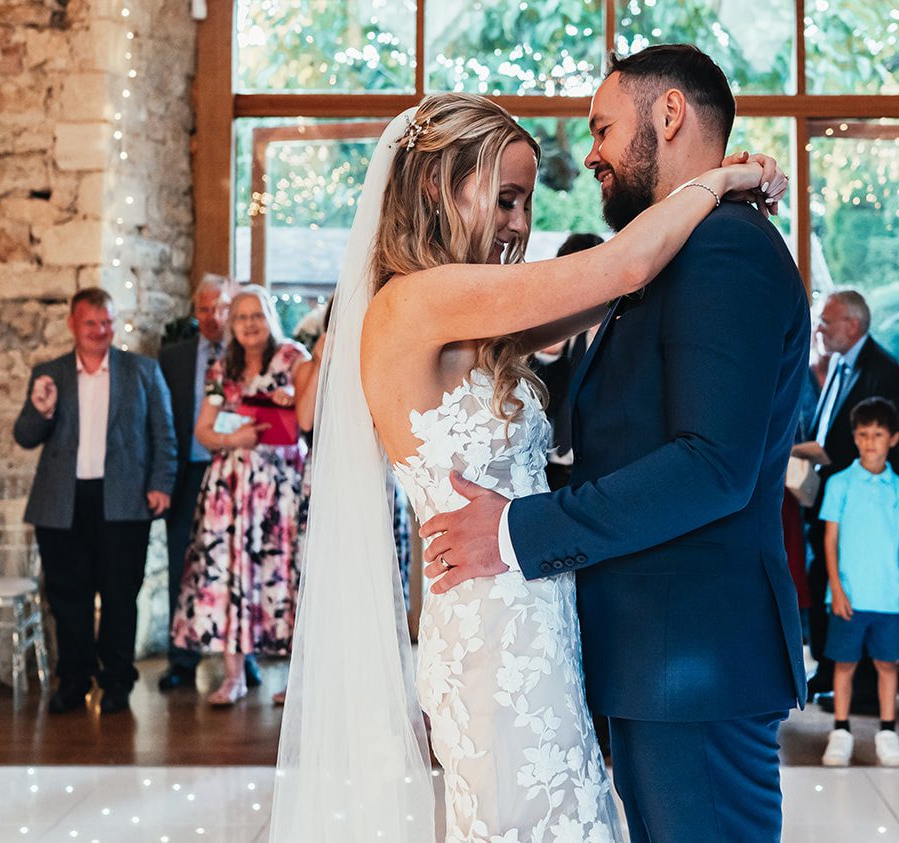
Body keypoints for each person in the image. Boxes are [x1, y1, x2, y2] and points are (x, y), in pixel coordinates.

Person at [267, 66, 795, 841]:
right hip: (494, 634)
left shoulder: (472, 316)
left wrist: (716, 189)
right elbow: (620, 268)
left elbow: (615, 292)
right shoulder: (416, 302)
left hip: (541, 620)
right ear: (441, 189)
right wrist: (717, 179)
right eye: (507, 197)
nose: (520, 223)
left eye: (526, 201)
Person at [422, 51, 806, 843]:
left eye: (602, 127)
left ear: (668, 117)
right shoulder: (668, 255)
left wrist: (514, 530)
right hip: (651, 655)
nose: (591, 152)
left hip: (691, 659)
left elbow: (712, 465)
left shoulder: (723, 250)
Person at [14, 287, 177, 716]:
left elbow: (164, 433)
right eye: (91, 323)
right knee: (68, 596)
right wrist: (41, 409)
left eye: (107, 323)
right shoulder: (49, 374)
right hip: (62, 503)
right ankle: (74, 679)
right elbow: (26, 436)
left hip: (122, 500)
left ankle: (118, 681)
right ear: (73, 324)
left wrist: (161, 482)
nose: (101, 331)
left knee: (122, 594)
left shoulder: (141, 371)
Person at [172, 284, 317, 707]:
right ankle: (233, 677)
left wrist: (294, 397)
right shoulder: (222, 368)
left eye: (257, 315)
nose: (250, 325)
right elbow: (202, 429)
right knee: (230, 572)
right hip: (231, 487)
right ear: (231, 325)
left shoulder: (293, 358)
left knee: (283, 572)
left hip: (282, 483)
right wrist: (230, 437)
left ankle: (296, 679)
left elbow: (315, 413)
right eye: (241, 317)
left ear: (269, 317)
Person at [795, 289, 899, 700]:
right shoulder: (840, 363)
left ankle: (861, 685)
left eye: (827, 321)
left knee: (856, 586)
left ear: (853, 325)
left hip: (862, 504)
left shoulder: (880, 369)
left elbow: (897, 445)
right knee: (825, 580)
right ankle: (831, 670)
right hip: (830, 493)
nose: (821, 328)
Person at [156, 275, 255, 694]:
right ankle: (183, 658)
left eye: (222, 308)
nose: (214, 317)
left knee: (239, 566)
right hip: (187, 474)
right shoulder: (172, 358)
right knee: (184, 566)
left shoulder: (249, 358)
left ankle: (243, 657)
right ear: (194, 313)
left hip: (237, 476)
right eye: (205, 309)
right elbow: (160, 422)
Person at [818, 398, 899, 769]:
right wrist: (837, 589)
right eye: (863, 434)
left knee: (887, 665)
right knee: (844, 665)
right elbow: (829, 539)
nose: (870, 442)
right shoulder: (840, 484)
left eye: (878, 434)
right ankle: (841, 731)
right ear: (855, 437)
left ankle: (887, 733)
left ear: (892, 438)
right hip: (848, 595)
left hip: (889, 598)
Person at [534, 232, 605, 490]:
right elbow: (544, 401)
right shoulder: (548, 330)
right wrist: (548, 353)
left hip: (600, 468)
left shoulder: (616, 326)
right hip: (551, 466)